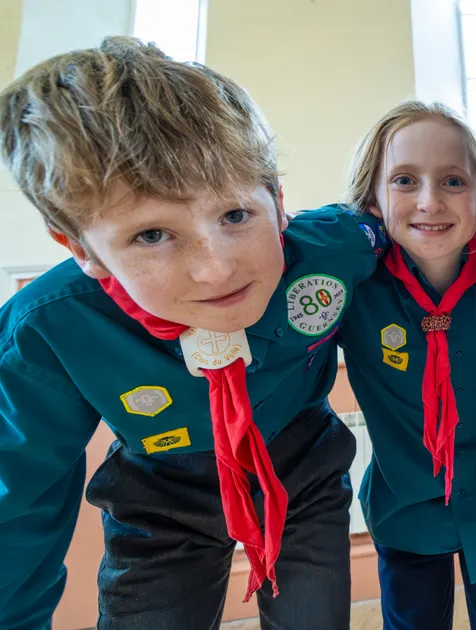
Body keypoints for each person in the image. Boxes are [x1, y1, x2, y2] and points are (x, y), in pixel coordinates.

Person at [0, 37, 383, 630]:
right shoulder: (49, 327)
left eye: (235, 215)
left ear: (278, 202)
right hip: (161, 501)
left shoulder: (332, 247)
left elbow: (406, 227)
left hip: (303, 474)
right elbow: (18, 504)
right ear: (81, 249)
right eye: (152, 235)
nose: (216, 269)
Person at [333, 101, 476, 629]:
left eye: (454, 181)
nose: (430, 202)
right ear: (373, 197)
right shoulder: (353, 283)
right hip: (405, 506)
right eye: (405, 181)